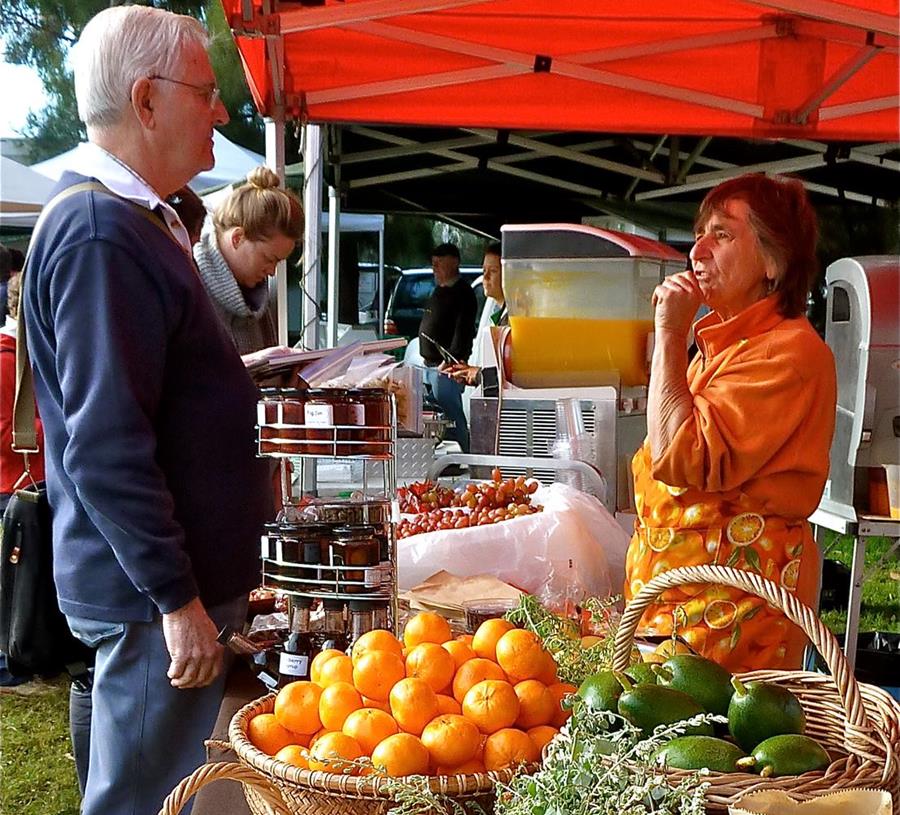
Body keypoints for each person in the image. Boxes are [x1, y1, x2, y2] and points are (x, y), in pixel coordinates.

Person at [20, 7, 271, 815]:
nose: (222, 111)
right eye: (207, 92)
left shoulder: (134, 222)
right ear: (147, 100)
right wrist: (175, 599)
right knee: (140, 799)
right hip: (145, 595)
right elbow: (106, 445)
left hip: (154, 586)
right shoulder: (100, 231)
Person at [624, 173, 836, 673]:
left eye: (722, 234)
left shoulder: (791, 353)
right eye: (699, 233)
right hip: (676, 608)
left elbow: (679, 456)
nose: (697, 251)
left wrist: (671, 334)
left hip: (734, 619)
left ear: (773, 262)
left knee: (715, 748)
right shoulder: (721, 348)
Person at [193, 166, 302, 354]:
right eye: (269, 259)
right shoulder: (188, 284)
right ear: (238, 238)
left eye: (278, 263)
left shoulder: (257, 298)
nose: (272, 271)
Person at [418, 242, 478, 451]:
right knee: (436, 415)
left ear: (453, 263)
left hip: (447, 366)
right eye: (433, 264)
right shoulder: (439, 290)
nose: (434, 269)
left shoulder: (463, 293)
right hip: (429, 364)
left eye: (439, 264)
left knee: (451, 414)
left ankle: (466, 455)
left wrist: (451, 360)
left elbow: (463, 331)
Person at [445, 241, 506, 387]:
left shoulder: (515, 318)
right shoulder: (500, 311)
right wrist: (468, 372)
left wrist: (478, 374)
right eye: (484, 270)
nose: (485, 277)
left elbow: (511, 375)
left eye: (493, 271)